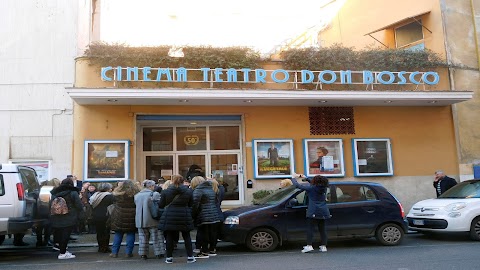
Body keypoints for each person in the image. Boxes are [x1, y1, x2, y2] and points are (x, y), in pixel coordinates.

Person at [158, 175, 196, 264]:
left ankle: (169, 257)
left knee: (169, 237)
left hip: (170, 215)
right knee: (186, 236)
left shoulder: (166, 192)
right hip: (184, 214)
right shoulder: (188, 192)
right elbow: (191, 204)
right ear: (183, 181)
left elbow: (161, 205)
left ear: (172, 181)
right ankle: (190, 257)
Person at [291, 174, 331, 253]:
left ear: (315, 182)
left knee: (310, 229)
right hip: (323, 211)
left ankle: (309, 245)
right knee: (322, 229)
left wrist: (293, 178)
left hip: (313, 211)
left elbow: (298, 186)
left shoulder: (311, 188)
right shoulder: (324, 188)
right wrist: (306, 178)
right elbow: (313, 184)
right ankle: (323, 246)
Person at [50, 178, 84, 259]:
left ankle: (61, 249)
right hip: (69, 216)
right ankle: (63, 253)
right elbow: (79, 205)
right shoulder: (73, 192)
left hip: (56, 216)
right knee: (66, 235)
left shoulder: (54, 193)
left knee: (59, 233)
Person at [134, 180, 165, 260]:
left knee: (142, 238)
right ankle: (159, 253)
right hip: (152, 219)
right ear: (151, 186)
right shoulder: (155, 194)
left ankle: (143, 254)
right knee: (156, 237)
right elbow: (159, 205)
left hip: (140, 220)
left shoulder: (137, 195)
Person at [191, 176, 220, 259]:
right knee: (212, 233)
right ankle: (212, 250)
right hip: (213, 214)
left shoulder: (198, 190)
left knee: (204, 234)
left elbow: (195, 204)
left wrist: (193, 215)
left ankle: (204, 252)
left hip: (203, 215)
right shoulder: (211, 189)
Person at [110, 180, 139, 258]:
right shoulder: (135, 194)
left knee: (118, 234)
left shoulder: (117, 195)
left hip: (119, 215)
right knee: (131, 233)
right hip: (132, 215)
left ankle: (114, 252)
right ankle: (128, 252)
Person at [89, 183, 114, 253]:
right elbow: (112, 206)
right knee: (106, 232)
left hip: (96, 215)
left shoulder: (95, 195)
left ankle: (100, 247)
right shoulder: (109, 196)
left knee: (99, 232)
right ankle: (105, 247)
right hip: (106, 216)